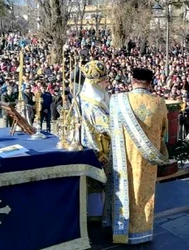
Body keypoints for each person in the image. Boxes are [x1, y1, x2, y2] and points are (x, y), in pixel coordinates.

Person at [106, 68, 169, 244]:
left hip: (123, 157)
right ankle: (142, 233)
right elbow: (164, 130)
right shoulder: (159, 102)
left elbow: (110, 127)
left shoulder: (118, 100)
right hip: (147, 162)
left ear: (132, 80)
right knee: (144, 193)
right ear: (150, 83)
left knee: (125, 190)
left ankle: (120, 229)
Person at [79, 60, 111, 219]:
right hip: (98, 148)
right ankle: (96, 215)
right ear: (96, 83)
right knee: (96, 185)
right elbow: (108, 127)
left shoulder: (83, 96)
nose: (106, 83)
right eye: (104, 81)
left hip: (89, 145)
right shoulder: (93, 104)